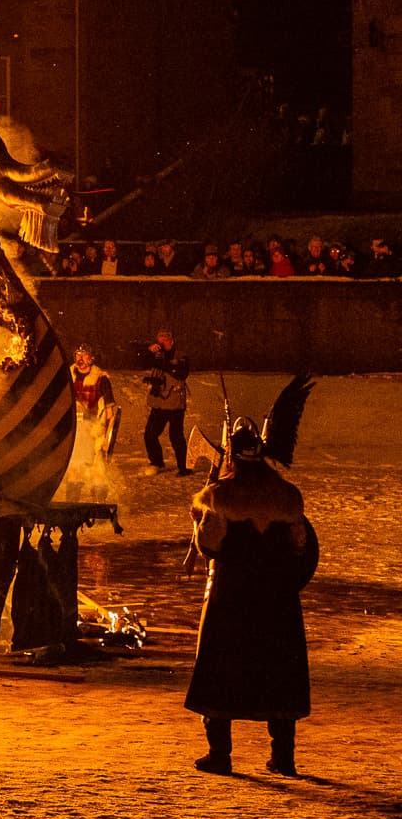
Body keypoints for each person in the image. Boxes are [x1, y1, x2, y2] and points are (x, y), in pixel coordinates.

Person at [186, 420, 317, 776]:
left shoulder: (220, 495)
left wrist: (199, 521)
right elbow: (302, 546)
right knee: (278, 673)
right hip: (277, 602)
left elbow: (210, 545)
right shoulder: (288, 496)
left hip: (231, 599)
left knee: (221, 672)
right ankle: (283, 757)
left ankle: (220, 755)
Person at [142, 329, 191, 474]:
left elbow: (181, 372)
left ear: (172, 341)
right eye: (160, 340)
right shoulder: (156, 354)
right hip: (159, 403)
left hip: (175, 404)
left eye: (165, 340)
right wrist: (148, 352)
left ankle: (184, 467)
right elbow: (141, 362)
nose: (162, 343)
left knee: (176, 436)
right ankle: (156, 463)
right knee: (150, 434)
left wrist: (164, 362)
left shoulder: (180, 355)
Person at [70, 344, 119, 458]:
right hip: (72, 425)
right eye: (78, 355)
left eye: (84, 355)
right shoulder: (68, 375)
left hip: (92, 425)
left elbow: (109, 412)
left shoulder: (101, 378)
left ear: (91, 358)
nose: (80, 358)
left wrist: (106, 435)